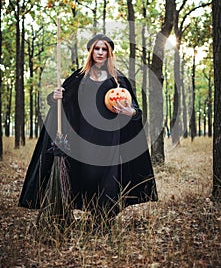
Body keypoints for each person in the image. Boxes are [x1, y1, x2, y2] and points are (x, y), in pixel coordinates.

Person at [19, 34, 158, 221]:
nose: (100, 53)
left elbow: (136, 111)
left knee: (108, 177)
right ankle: (75, 211)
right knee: (84, 174)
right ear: (91, 51)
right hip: (82, 137)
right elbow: (58, 103)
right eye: (97, 49)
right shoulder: (79, 77)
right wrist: (55, 96)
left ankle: (103, 219)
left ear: (109, 53)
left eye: (104, 49)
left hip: (109, 140)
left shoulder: (118, 80)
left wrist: (129, 112)